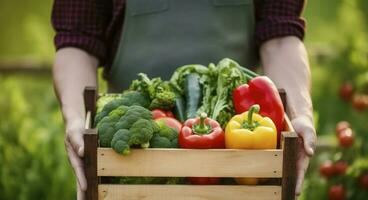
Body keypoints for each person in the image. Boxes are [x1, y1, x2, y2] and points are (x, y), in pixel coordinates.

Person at [52, 0, 316, 199]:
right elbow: (77, 42)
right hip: (130, 161)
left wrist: (300, 112)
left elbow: (281, 35)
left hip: (237, 158)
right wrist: (76, 118)